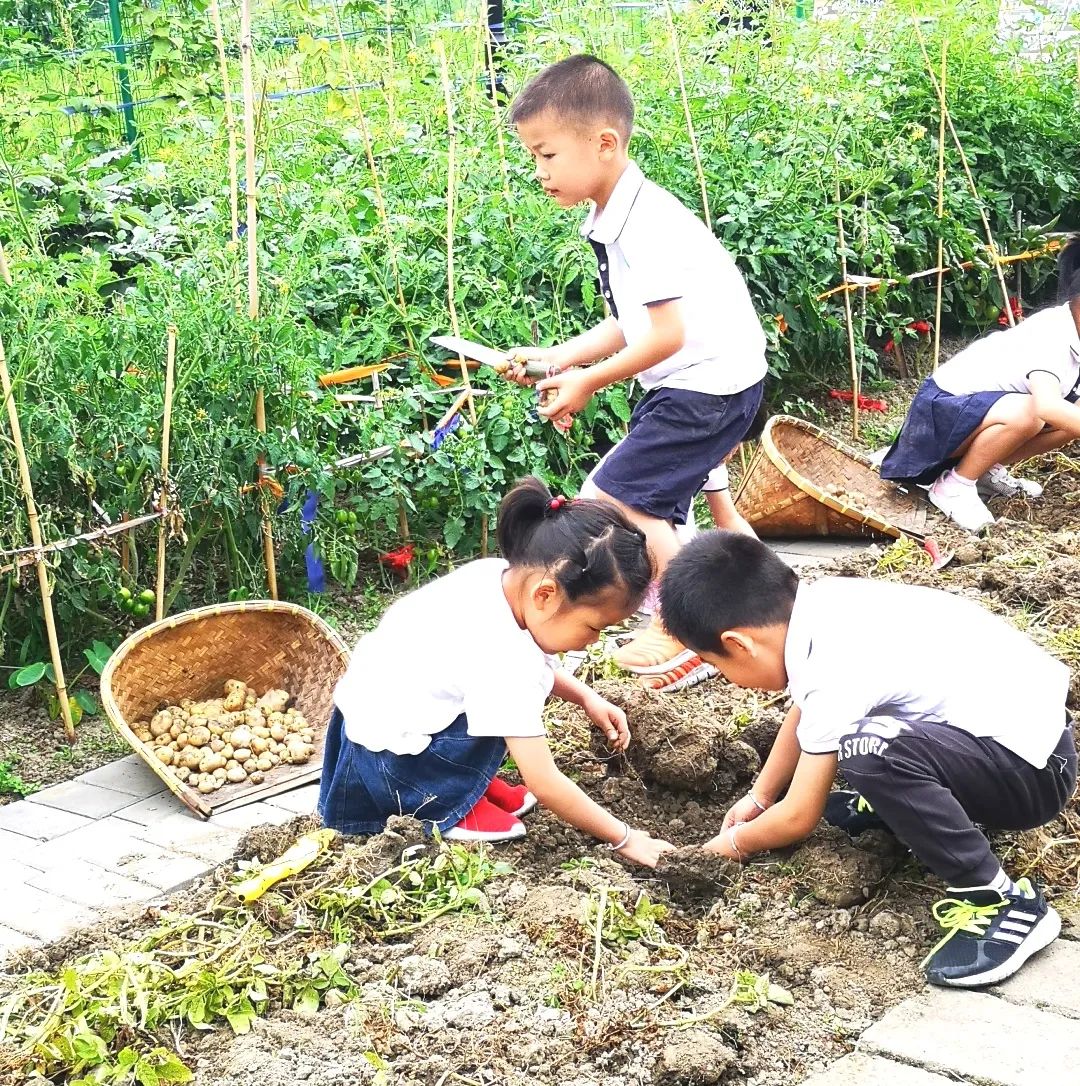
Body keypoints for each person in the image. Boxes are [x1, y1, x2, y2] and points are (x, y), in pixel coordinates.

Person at [660, 531, 1077, 987]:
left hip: (1029, 777)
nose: (729, 679)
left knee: (868, 748)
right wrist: (761, 797)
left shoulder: (836, 665)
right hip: (1017, 744)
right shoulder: (821, 608)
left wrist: (726, 848)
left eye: (717, 664)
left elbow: (799, 817)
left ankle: (1000, 900)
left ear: (739, 644)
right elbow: (807, 711)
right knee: (865, 741)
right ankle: (906, 807)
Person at [505, 54, 767, 678]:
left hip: (705, 383)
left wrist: (590, 380)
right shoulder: (616, 214)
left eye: (546, 154)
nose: (538, 171)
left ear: (604, 143)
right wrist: (558, 359)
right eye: (532, 156)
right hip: (701, 380)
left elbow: (668, 335)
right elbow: (633, 320)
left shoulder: (644, 224)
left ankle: (683, 626)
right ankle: (703, 617)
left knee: (617, 498)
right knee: (644, 499)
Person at [318, 477, 673, 867]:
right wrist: (624, 837)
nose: (593, 640)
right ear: (546, 594)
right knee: (511, 716)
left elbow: (523, 663)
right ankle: (441, 802)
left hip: (374, 719)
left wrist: (586, 696)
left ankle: (467, 783)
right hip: (390, 763)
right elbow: (543, 780)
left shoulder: (499, 576)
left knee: (502, 707)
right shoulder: (504, 659)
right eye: (594, 627)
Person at [880, 236, 1080, 532]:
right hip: (935, 423)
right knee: (1037, 411)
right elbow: (1047, 405)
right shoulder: (1052, 334)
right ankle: (956, 485)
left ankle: (984, 467)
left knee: (1068, 420)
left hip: (976, 416)